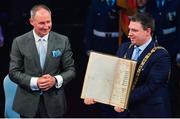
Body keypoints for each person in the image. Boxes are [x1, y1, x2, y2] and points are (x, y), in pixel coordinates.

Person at [84, 12, 172, 117]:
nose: (129, 33)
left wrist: (122, 100)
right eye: (129, 29)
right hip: (125, 113)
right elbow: (114, 76)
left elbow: (150, 87)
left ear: (148, 31)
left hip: (150, 112)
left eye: (134, 30)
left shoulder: (161, 55)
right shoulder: (124, 47)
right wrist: (95, 94)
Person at [9, 4, 76, 118]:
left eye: (48, 22)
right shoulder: (19, 42)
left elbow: (71, 70)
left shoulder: (63, 41)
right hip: (27, 104)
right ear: (31, 22)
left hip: (55, 103)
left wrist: (55, 80)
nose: (46, 26)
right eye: (41, 23)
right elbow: (13, 72)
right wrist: (36, 82)